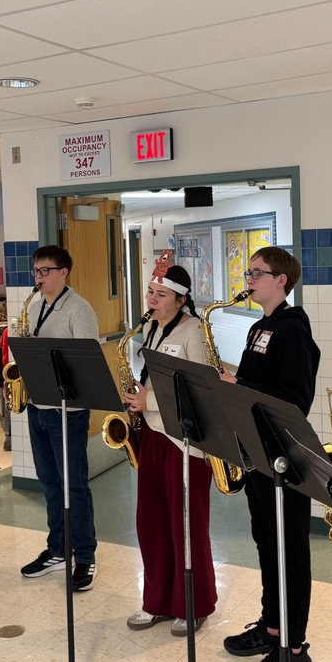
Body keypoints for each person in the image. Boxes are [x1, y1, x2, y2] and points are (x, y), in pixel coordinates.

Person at [220, 246, 320, 662]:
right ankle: (272, 626)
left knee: (289, 550)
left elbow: (295, 400)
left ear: (281, 280)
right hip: (257, 451)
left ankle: (294, 647)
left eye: (257, 273)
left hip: (285, 455)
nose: (249, 280)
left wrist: (239, 384)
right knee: (266, 542)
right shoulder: (260, 326)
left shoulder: (293, 330)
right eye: (249, 272)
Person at [122, 262, 216, 636]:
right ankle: (157, 601)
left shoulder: (195, 331)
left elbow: (201, 390)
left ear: (181, 300)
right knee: (152, 523)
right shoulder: (150, 329)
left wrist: (150, 401)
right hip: (153, 435)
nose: (152, 299)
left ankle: (194, 605)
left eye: (161, 294)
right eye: (150, 292)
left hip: (185, 442)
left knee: (186, 527)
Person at [19, 245, 102, 592]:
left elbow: (87, 364)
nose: (39, 278)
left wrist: (45, 352)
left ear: (64, 272)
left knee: (74, 486)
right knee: (50, 483)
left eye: (45, 271)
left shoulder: (80, 310)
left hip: (68, 412)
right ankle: (58, 549)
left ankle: (85, 555)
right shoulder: (34, 306)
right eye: (36, 271)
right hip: (38, 406)